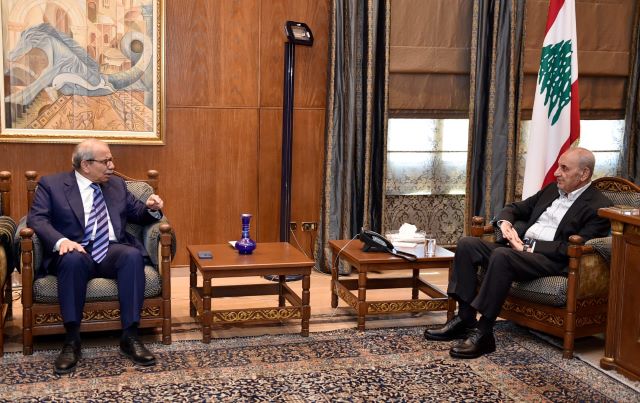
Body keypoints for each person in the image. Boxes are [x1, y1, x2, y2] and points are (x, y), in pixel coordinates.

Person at [425, 147, 612, 358]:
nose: (556, 173)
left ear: (584, 174)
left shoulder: (599, 206)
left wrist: (528, 247)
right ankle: (465, 318)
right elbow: (515, 208)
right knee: (467, 244)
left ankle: (484, 332)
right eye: (558, 167)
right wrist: (504, 223)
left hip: (550, 259)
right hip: (519, 250)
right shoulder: (552, 189)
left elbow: (574, 247)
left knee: (502, 256)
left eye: (564, 168)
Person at [28, 139, 164, 374]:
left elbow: (138, 214)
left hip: (111, 249)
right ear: (86, 165)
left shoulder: (117, 185)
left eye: (111, 160)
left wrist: (151, 207)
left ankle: (130, 336)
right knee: (72, 259)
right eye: (106, 161)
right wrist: (61, 241)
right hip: (76, 249)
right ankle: (72, 340)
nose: (112, 165)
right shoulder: (52, 185)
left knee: (132, 256)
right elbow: (37, 219)